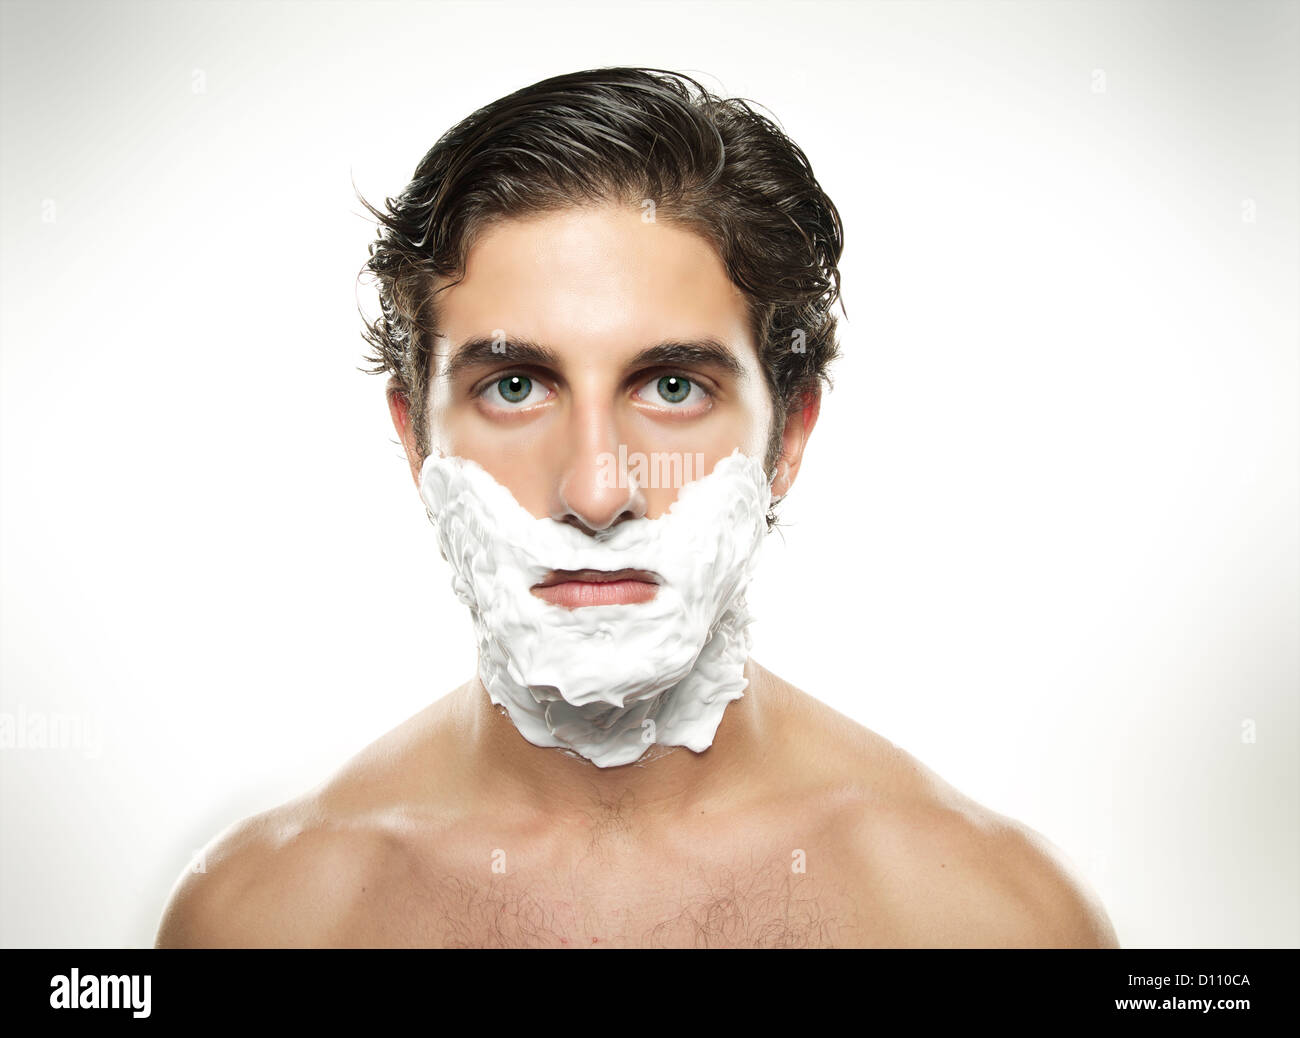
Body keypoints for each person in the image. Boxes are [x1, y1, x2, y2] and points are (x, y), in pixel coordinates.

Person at [155, 67, 1119, 948]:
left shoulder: (988, 921)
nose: (597, 492)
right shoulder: (265, 921)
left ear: (786, 438)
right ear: (417, 440)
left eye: (669, 387)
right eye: (517, 386)